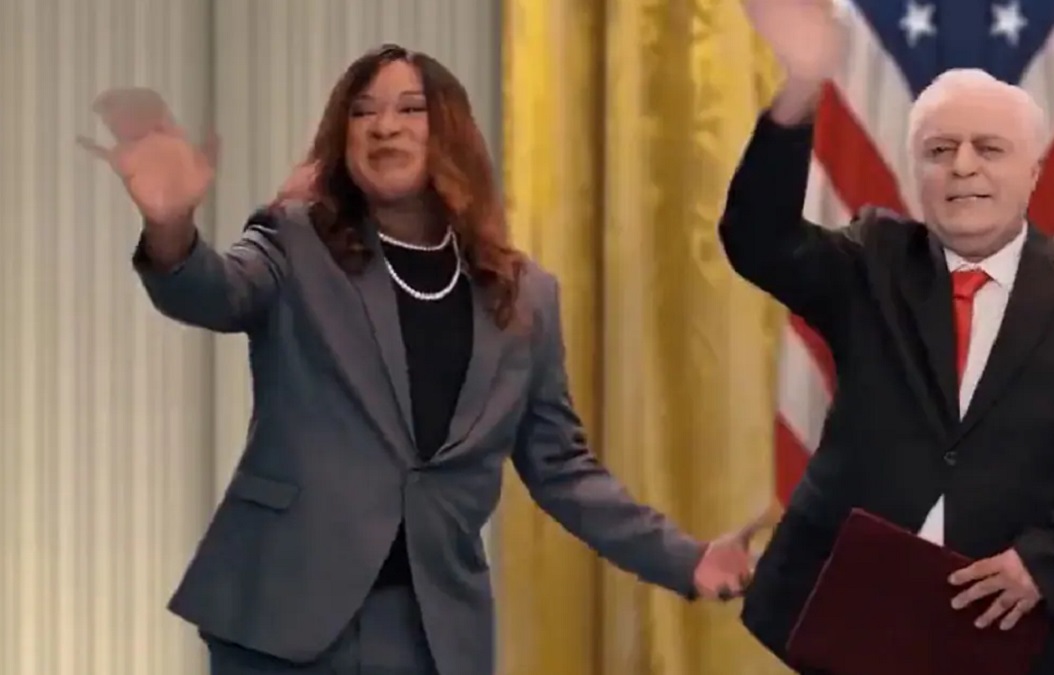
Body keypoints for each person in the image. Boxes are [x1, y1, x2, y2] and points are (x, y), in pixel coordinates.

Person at [80, 45, 762, 675]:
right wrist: (170, 227)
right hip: (282, 614)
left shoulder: (525, 296)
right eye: (363, 111)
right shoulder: (294, 241)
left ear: (451, 133)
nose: (385, 127)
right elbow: (212, 293)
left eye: (410, 109)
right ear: (342, 138)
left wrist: (688, 559)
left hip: (432, 632)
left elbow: (562, 468)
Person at [723, 2, 1054, 674]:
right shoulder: (873, 260)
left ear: (1033, 172)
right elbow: (758, 239)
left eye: (989, 148)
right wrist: (799, 91)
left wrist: (1047, 558)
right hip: (856, 622)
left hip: (1018, 630)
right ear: (917, 172)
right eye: (940, 151)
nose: (963, 167)